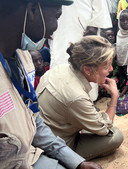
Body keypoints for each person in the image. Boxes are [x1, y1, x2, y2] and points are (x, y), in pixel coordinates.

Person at [0, 0, 101, 168]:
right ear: (33, 10)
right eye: (57, 15)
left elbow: (32, 119)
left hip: (29, 157)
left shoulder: (23, 59)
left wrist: (78, 162)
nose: (54, 30)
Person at [36, 36, 124, 160]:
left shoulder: (58, 69)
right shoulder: (76, 97)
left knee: (95, 115)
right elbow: (105, 129)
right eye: (106, 66)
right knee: (115, 136)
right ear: (88, 69)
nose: (110, 69)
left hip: (44, 134)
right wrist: (114, 97)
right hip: (56, 146)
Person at [49, 0, 112, 68]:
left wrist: (94, 25)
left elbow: (100, 4)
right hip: (58, 24)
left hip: (84, 25)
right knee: (60, 58)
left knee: (86, 59)